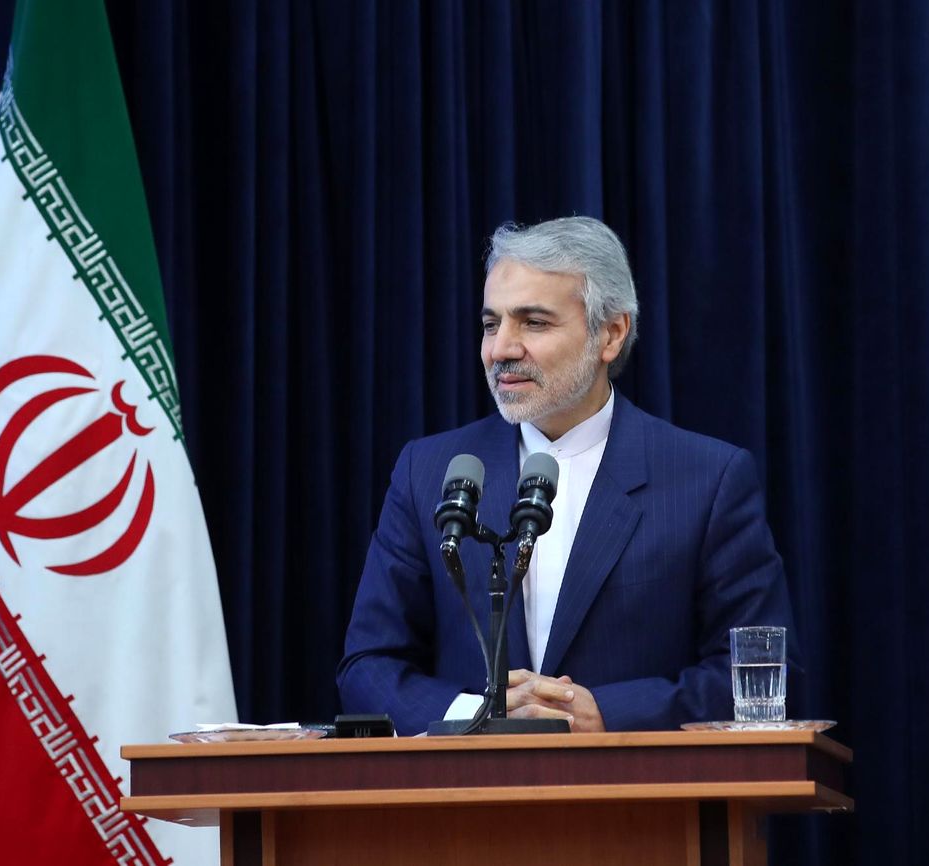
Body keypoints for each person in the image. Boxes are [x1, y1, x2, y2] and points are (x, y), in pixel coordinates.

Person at [337, 216, 800, 735]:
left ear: (611, 334)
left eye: (533, 322)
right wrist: (475, 715)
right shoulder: (428, 471)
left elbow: (762, 673)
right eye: (491, 324)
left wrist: (608, 714)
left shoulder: (707, 479)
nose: (501, 349)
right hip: (466, 786)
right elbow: (368, 666)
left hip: (636, 787)